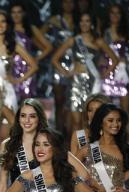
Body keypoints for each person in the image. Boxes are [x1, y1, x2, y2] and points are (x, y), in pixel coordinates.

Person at [52, 12, 118, 136]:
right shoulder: (73, 40)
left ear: (92, 23)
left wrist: (104, 74)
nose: (84, 24)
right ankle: (78, 151)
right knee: (76, 121)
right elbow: (55, 59)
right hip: (76, 83)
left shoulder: (98, 41)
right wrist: (67, 73)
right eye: (82, 21)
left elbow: (115, 60)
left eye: (87, 21)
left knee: (90, 121)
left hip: (92, 83)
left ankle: (90, 150)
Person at [101, 4, 129, 145]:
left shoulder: (126, 33)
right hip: (107, 74)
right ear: (108, 15)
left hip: (121, 74)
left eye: (118, 13)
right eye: (112, 13)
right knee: (107, 112)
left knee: (126, 112)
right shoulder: (103, 33)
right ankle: (110, 146)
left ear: (121, 16)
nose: (115, 16)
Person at [40, 0, 75, 134]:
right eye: (65, 2)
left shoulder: (78, 20)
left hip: (75, 64)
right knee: (59, 101)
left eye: (71, 2)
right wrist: (48, 48)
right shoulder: (54, 20)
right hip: (58, 62)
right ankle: (59, 134)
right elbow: (38, 36)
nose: (68, 4)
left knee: (73, 103)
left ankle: (71, 134)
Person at [9, 1, 52, 101]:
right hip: (11, 67)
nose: (16, 15)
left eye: (19, 12)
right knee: (11, 100)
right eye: (13, 12)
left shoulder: (30, 29)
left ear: (23, 13)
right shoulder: (6, 29)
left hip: (27, 69)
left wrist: (36, 58)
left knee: (26, 100)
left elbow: (48, 47)